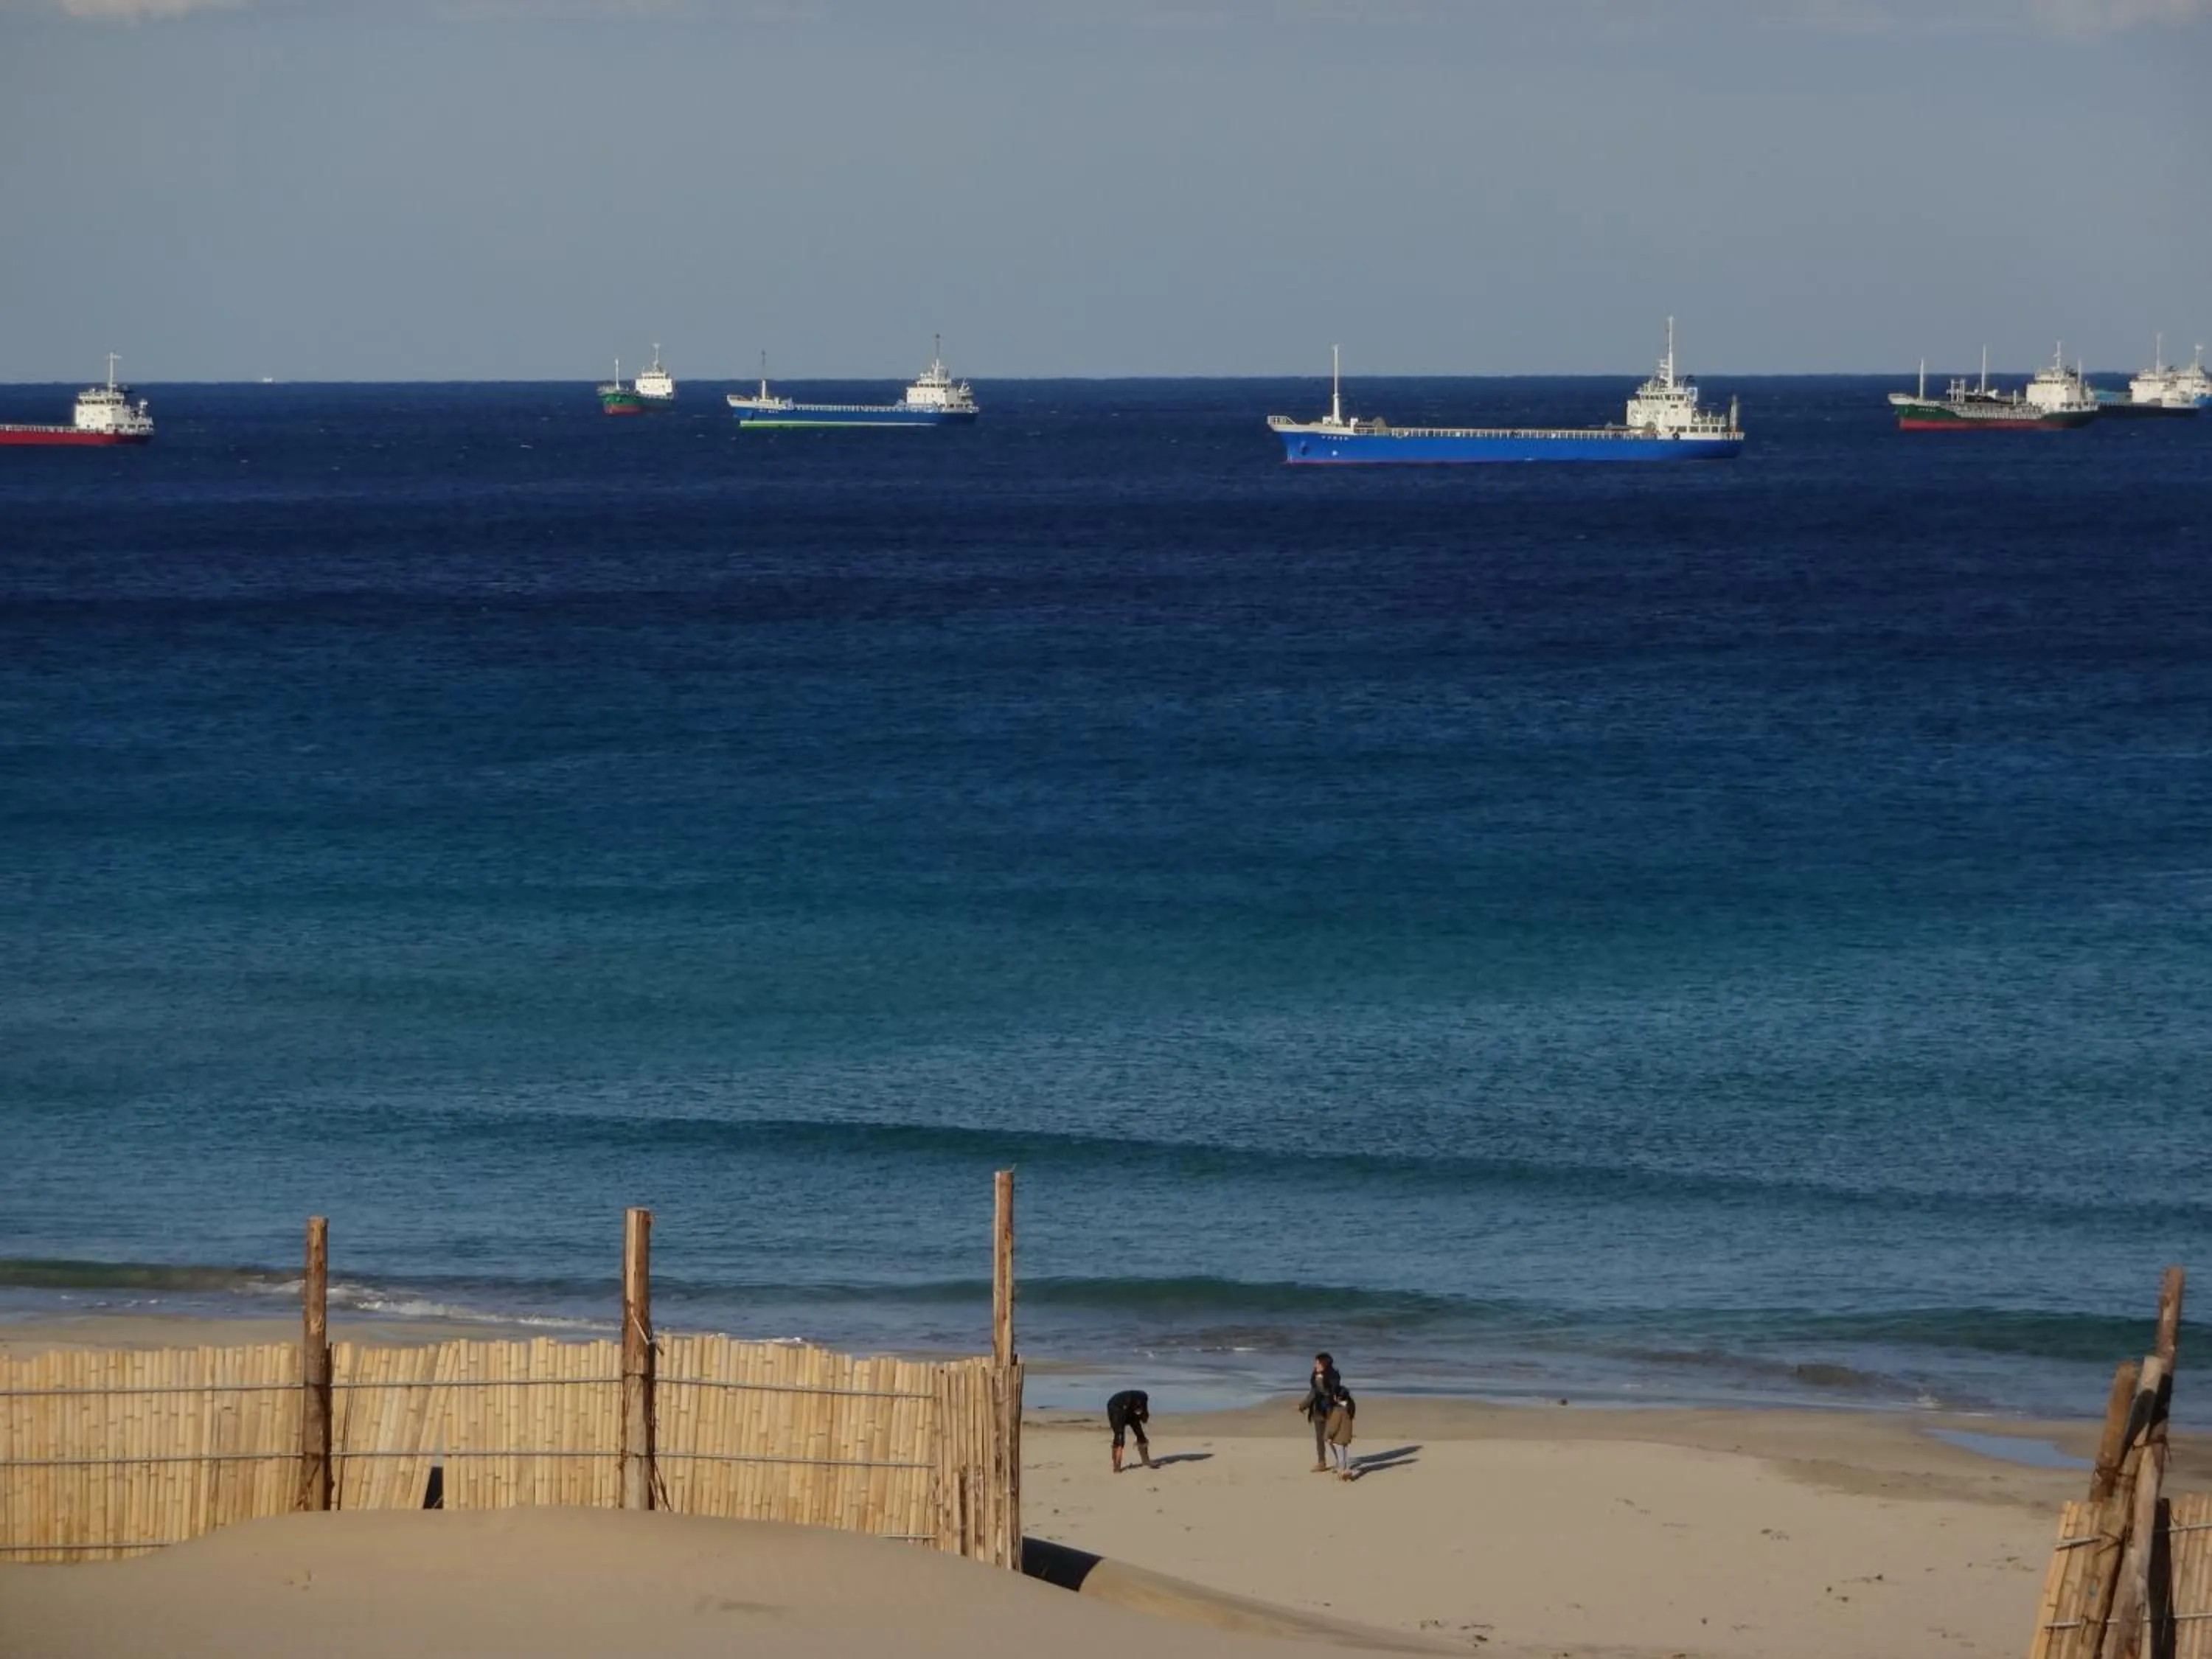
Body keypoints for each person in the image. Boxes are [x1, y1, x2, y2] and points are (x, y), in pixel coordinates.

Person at [1298, 1352, 1341, 1472]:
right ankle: (1321, 1462)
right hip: (1318, 1411)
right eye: (1315, 1362)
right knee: (1320, 1438)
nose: (1315, 1364)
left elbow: (1331, 1393)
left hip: (1330, 1410)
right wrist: (1302, 1406)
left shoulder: (1333, 1376)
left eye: (1318, 1362)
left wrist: (1321, 1382)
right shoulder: (1315, 1376)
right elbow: (1312, 1394)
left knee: (1331, 1437)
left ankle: (1340, 1462)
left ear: (1324, 1363)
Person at [1107, 1388, 1152, 1473]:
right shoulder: (1143, 1399)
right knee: (1121, 1438)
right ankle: (1117, 1467)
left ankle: (1117, 1467)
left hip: (1116, 1405)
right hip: (1117, 1407)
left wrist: (1141, 1416)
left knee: (1120, 1437)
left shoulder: (1140, 1399)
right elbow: (1144, 1417)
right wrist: (1144, 1417)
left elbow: (1142, 1415)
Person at [1324, 1384, 1357, 1481]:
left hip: (1339, 1436)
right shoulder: (1350, 1406)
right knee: (1346, 1452)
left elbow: (1334, 1425)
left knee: (1340, 1454)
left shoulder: (1338, 1410)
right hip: (1347, 1434)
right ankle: (1347, 1469)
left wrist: (1329, 1436)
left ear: (1338, 1398)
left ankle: (1342, 1471)